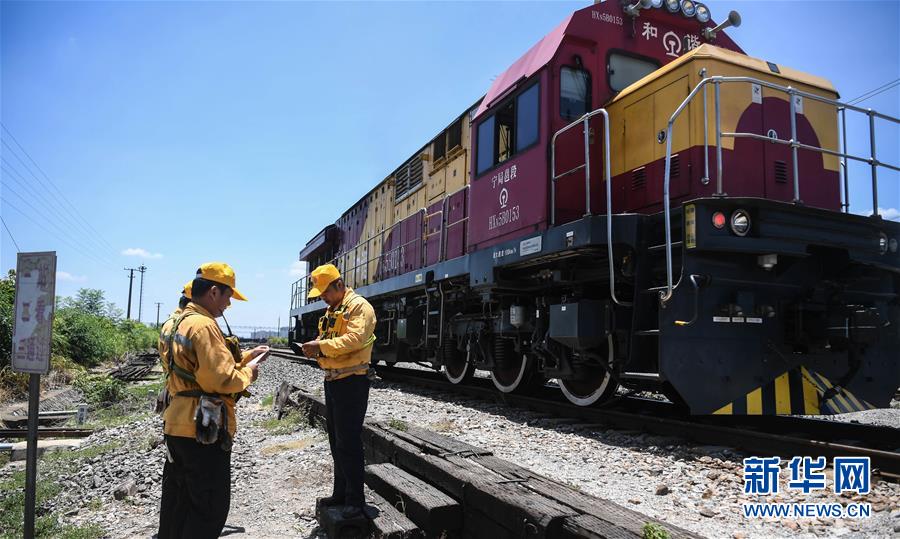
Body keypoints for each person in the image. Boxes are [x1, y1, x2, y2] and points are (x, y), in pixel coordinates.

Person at [157, 262, 269, 538]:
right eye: (229, 296)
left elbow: (194, 372)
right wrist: (249, 372)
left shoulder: (176, 323)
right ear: (214, 292)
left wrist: (241, 359)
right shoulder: (204, 325)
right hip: (202, 428)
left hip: (176, 422)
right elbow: (219, 380)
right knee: (209, 508)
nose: (229, 304)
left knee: (178, 503)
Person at [301, 264, 376, 519]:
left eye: (325, 291)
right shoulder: (334, 308)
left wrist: (319, 346)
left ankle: (356, 501)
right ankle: (341, 493)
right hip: (333, 381)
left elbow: (354, 340)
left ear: (339, 285)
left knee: (349, 441)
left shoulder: (359, 307)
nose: (322, 296)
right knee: (336, 441)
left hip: (352, 382)